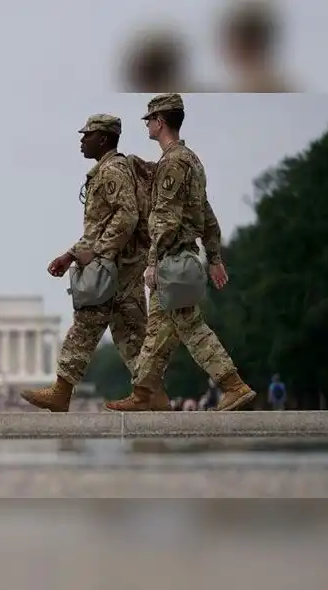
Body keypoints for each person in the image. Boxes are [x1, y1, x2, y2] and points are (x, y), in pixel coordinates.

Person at [106, 93, 257, 412]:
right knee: (159, 331)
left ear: (160, 122)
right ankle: (142, 394)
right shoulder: (192, 161)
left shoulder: (172, 162)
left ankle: (233, 385)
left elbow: (165, 219)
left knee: (190, 326)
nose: (147, 125)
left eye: (149, 120)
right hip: (186, 258)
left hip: (171, 260)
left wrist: (152, 263)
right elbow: (207, 214)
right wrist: (214, 257)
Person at [20, 114, 147, 412]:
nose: (81, 140)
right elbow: (99, 225)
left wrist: (99, 253)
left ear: (103, 138)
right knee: (132, 335)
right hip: (121, 265)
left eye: (86, 135)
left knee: (85, 326)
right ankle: (154, 395)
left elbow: (126, 215)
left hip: (111, 267)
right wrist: (71, 255)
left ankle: (61, 393)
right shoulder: (105, 171)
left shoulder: (112, 170)